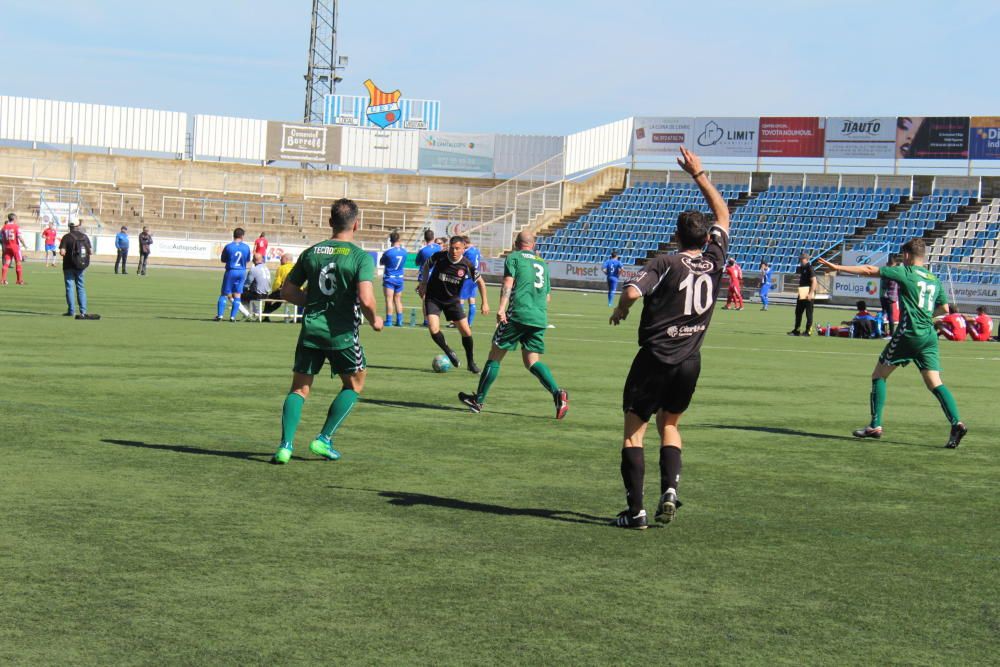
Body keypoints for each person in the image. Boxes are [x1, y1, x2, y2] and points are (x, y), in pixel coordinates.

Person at [608, 146, 730, 530]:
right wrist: (699, 174)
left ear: (676, 236)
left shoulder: (666, 261)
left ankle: (636, 512)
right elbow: (724, 214)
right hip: (690, 361)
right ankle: (671, 490)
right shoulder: (715, 259)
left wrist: (622, 310)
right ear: (706, 236)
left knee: (633, 432)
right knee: (671, 425)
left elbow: (631, 292)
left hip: (656, 359)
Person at [818, 238, 967, 448]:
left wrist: (837, 267)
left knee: (879, 375)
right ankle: (957, 423)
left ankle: (875, 425)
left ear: (906, 255)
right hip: (929, 336)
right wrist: (925, 315)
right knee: (935, 382)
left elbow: (870, 270)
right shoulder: (934, 279)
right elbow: (944, 309)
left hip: (909, 333)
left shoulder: (905, 272)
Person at [272, 198, 383, 464]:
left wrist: (311, 303)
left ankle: (285, 446)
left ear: (330, 222)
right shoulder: (359, 257)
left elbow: (287, 291)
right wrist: (375, 319)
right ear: (356, 224)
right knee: (354, 384)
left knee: (299, 389)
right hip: (342, 332)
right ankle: (323, 439)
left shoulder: (311, 252)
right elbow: (366, 299)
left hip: (311, 330)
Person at [458, 230, 569, 419]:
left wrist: (501, 308)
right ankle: (558, 393)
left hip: (517, 315)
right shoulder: (542, 263)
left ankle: (479, 400)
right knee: (532, 362)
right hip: (539, 317)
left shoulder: (514, 258)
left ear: (516, 244)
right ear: (533, 245)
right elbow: (548, 297)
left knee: (495, 355)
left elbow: (508, 283)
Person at [418, 236, 490, 373]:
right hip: (434, 298)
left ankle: (471, 363)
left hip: (452, 301)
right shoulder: (439, 256)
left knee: (466, 332)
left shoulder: (466, 265)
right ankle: (449, 351)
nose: (454, 251)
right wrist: (424, 283)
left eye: (457, 248)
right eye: (452, 247)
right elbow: (426, 265)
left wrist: (485, 302)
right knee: (433, 329)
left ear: (463, 249)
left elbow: (481, 282)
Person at [58, 221, 99, 319]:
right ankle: (83, 311)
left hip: (68, 266)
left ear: (70, 227)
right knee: (81, 287)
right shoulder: (84, 237)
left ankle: (71, 310)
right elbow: (91, 252)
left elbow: (62, 252)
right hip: (81, 266)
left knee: (70, 287)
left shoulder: (66, 237)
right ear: (78, 226)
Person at [215, 228, 252, 322]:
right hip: (241, 272)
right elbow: (247, 260)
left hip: (231, 271)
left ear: (233, 235)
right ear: (242, 236)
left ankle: (220, 316)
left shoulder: (228, 247)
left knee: (224, 294)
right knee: (237, 295)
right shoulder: (246, 247)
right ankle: (232, 317)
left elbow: (223, 259)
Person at [414, 229, 442, 327]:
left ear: (425, 238)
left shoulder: (423, 250)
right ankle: (435, 319)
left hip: (425, 277)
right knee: (435, 298)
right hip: (437, 276)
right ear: (433, 237)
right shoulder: (439, 247)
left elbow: (417, 262)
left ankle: (426, 320)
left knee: (425, 299)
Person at [380, 231, 407, 327]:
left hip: (389, 278)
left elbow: (381, 262)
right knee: (398, 300)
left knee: (389, 299)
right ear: (399, 240)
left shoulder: (388, 252)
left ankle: (389, 320)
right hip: (399, 278)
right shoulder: (404, 252)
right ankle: (399, 321)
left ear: (390, 240)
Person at [788, 252, 818, 336]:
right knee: (798, 312)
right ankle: (796, 330)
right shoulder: (802, 268)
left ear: (807, 259)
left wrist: (810, 293)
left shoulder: (809, 268)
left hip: (808, 291)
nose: (800, 260)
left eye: (802, 259)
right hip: (802, 291)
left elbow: (814, 282)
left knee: (808, 312)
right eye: (800, 259)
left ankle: (808, 331)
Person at [459, 236, 482, 326]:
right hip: (475, 276)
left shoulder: (469, 252)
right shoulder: (476, 250)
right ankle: (469, 323)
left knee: (460, 300)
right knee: (471, 299)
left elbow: (465, 265)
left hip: (467, 277)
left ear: (464, 243)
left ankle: (461, 322)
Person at [242, 253, 272, 318]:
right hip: (267, 294)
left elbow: (246, 284)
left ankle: (251, 313)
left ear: (253, 260)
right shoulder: (266, 268)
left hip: (258, 295)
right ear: (262, 259)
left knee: (240, 294)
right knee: (248, 294)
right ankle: (255, 312)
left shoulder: (253, 270)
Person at [1, 213, 27, 285]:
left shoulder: (4, 227)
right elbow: (19, 237)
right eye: (16, 218)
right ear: (14, 218)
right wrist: (24, 244)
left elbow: (2, 239)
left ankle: (2, 280)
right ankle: (19, 280)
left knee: (6, 263)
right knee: (18, 262)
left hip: (7, 247)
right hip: (15, 247)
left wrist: (4, 247)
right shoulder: (16, 227)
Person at [879, 256, 899, 337]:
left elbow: (884, 285)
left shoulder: (886, 272)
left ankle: (887, 333)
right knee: (889, 315)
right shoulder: (897, 273)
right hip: (892, 296)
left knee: (885, 314)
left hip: (885, 296)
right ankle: (889, 333)